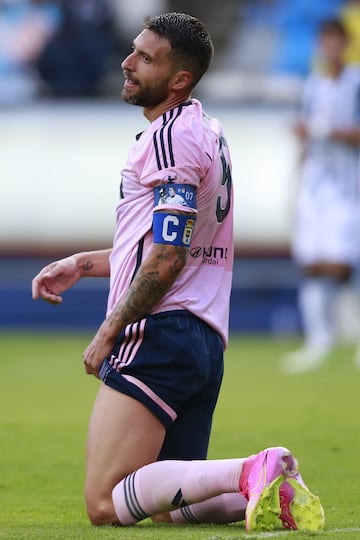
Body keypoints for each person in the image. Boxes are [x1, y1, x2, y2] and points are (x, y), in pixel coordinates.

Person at [32, 12, 324, 531]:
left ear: (179, 79)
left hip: (162, 332)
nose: (127, 63)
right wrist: (83, 263)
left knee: (104, 503)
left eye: (145, 58)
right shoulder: (206, 131)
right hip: (203, 340)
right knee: (168, 506)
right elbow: (173, 244)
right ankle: (269, 488)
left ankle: (251, 468)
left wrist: (109, 331)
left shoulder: (170, 139)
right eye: (133, 50)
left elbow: (167, 257)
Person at [283, 18, 360, 374]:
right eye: (324, 42)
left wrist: (322, 130)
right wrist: (296, 183)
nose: (330, 49)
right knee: (312, 262)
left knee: (349, 263)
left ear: (344, 44)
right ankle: (319, 341)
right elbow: (306, 138)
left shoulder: (355, 82)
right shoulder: (313, 85)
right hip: (317, 185)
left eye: (335, 42)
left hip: (349, 185)